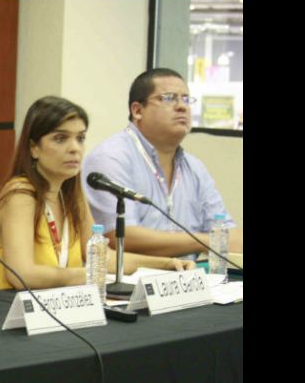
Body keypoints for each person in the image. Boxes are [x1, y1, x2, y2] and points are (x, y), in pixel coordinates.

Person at [0, 96, 193, 291]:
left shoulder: (70, 191)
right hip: (8, 314)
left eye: (80, 138)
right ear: (34, 148)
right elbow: (21, 275)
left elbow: (102, 258)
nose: (75, 148)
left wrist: (166, 264)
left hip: (59, 307)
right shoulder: (20, 195)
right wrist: (89, 275)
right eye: (61, 138)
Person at [82, 68, 243, 259]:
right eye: (168, 98)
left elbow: (229, 234)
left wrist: (215, 239)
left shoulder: (194, 167)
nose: (182, 107)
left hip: (185, 280)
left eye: (186, 99)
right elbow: (119, 236)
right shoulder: (111, 157)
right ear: (137, 110)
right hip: (129, 283)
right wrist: (206, 241)